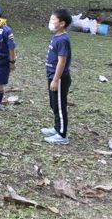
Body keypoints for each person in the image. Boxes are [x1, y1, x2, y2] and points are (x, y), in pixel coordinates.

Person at [42, 9, 73, 145]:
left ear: (62, 23)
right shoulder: (57, 36)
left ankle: (62, 135)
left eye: (53, 20)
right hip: (52, 76)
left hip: (59, 78)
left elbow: (62, 61)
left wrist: (55, 80)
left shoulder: (63, 39)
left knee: (60, 105)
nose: (50, 22)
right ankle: (56, 128)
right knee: (54, 103)